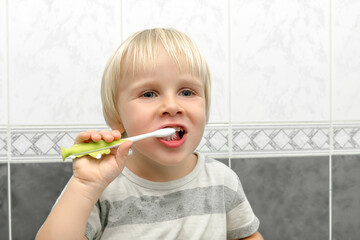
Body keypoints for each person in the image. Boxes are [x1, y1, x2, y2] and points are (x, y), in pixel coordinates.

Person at [36, 28, 263, 240]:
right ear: (117, 116)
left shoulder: (222, 181)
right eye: (149, 94)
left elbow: (247, 236)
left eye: (187, 92)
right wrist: (85, 187)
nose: (172, 106)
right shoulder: (100, 186)